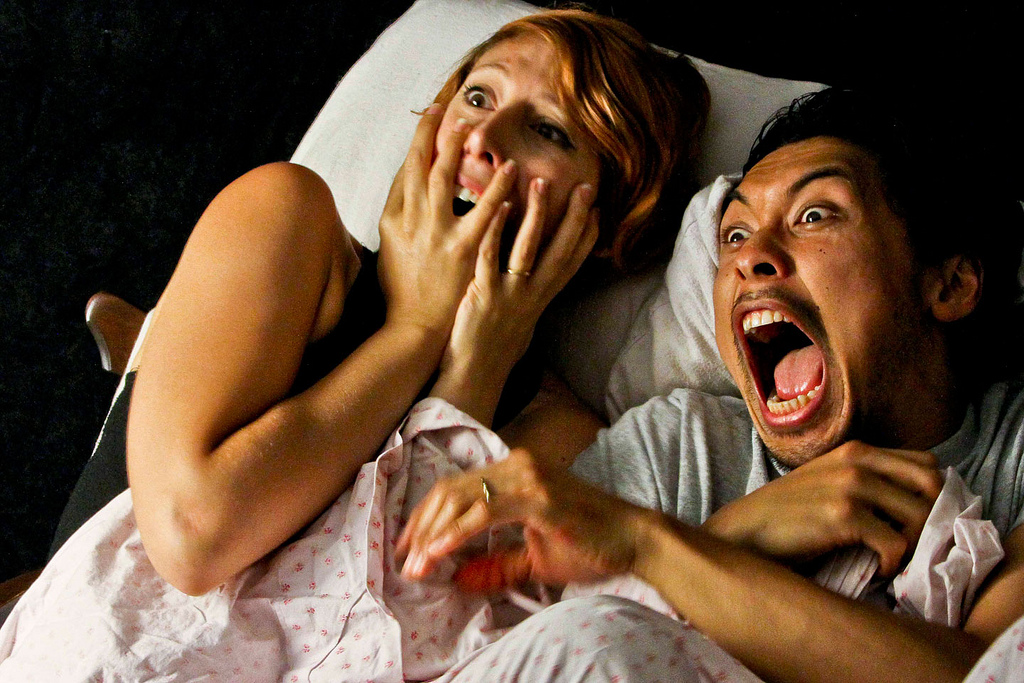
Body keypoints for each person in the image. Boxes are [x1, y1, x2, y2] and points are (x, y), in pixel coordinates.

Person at [42, 9, 709, 598]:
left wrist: (470, 378)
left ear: (608, 228)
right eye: (478, 95)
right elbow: (195, 539)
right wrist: (414, 330)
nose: (482, 136)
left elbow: (370, 636)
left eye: (549, 131)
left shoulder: (561, 442)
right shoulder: (286, 218)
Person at [396, 88, 1024, 682]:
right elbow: (501, 652)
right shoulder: (676, 449)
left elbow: (981, 674)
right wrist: (738, 535)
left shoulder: (1015, 458)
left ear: (948, 285)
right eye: (735, 235)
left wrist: (648, 545)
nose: (750, 257)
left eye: (814, 215)